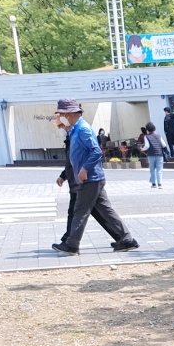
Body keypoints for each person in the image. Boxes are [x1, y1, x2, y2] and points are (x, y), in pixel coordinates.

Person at [50, 98, 138, 256]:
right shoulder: (76, 129)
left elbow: (96, 151)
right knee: (105, 210)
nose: (61, 116)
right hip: (92, 178)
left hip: (90, 178)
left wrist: (84, 169)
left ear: (70, 113)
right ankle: (127, 240)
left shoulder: (82, 129)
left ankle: (72, 245)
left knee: (80, 211)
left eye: (62, 113)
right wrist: (66, 174)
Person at [141, 122, 166, 188]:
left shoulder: (146, 137)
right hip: (159, 154)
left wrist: (142, 149)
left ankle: (153, 184)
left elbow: (147, 146)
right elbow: (164, 145)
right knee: (159, 169)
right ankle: (160, 184)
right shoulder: (159, 136)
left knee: (152, 169)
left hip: (151, 154)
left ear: (147, 130)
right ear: (154, 129)